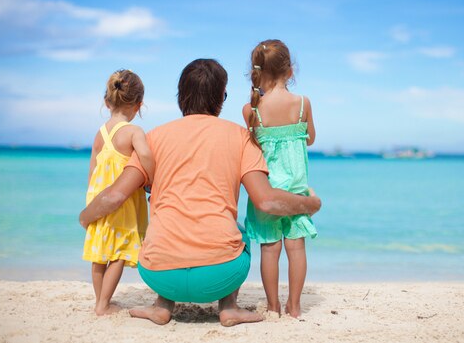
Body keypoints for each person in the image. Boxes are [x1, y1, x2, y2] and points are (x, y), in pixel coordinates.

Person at [79, 59, 321, 327]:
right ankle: (228, 306)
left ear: (181, 96)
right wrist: (308, 203)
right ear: (221, 97)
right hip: (220, 276)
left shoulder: (154, 138)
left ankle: (162, 305)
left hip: (159, 274)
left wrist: (85, 216)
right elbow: (266, 201)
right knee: (241, 230)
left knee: (164, 223)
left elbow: (115, 196)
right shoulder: (240, 137)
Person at [242, 39, 316, 318]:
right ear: (290, 70)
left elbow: (253, 147)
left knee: (269, 250)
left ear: (257, 72)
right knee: (296, 249)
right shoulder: (302, 104)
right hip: (296, 189)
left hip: (268, 190)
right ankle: (294, 306)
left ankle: (273, 305)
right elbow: (310, 138)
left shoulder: (252, 110)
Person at [82, 69, 154, 316]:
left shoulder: (99, 134)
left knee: (100, 253)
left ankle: (99, 301)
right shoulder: (133, 132)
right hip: (121, 203)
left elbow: (92, 170)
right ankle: (104, 304)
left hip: (98, 199)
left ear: (107, 101)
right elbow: (145, 156)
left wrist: (92, 202)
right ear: (139, 105)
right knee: (120, 252)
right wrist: (152, 179)